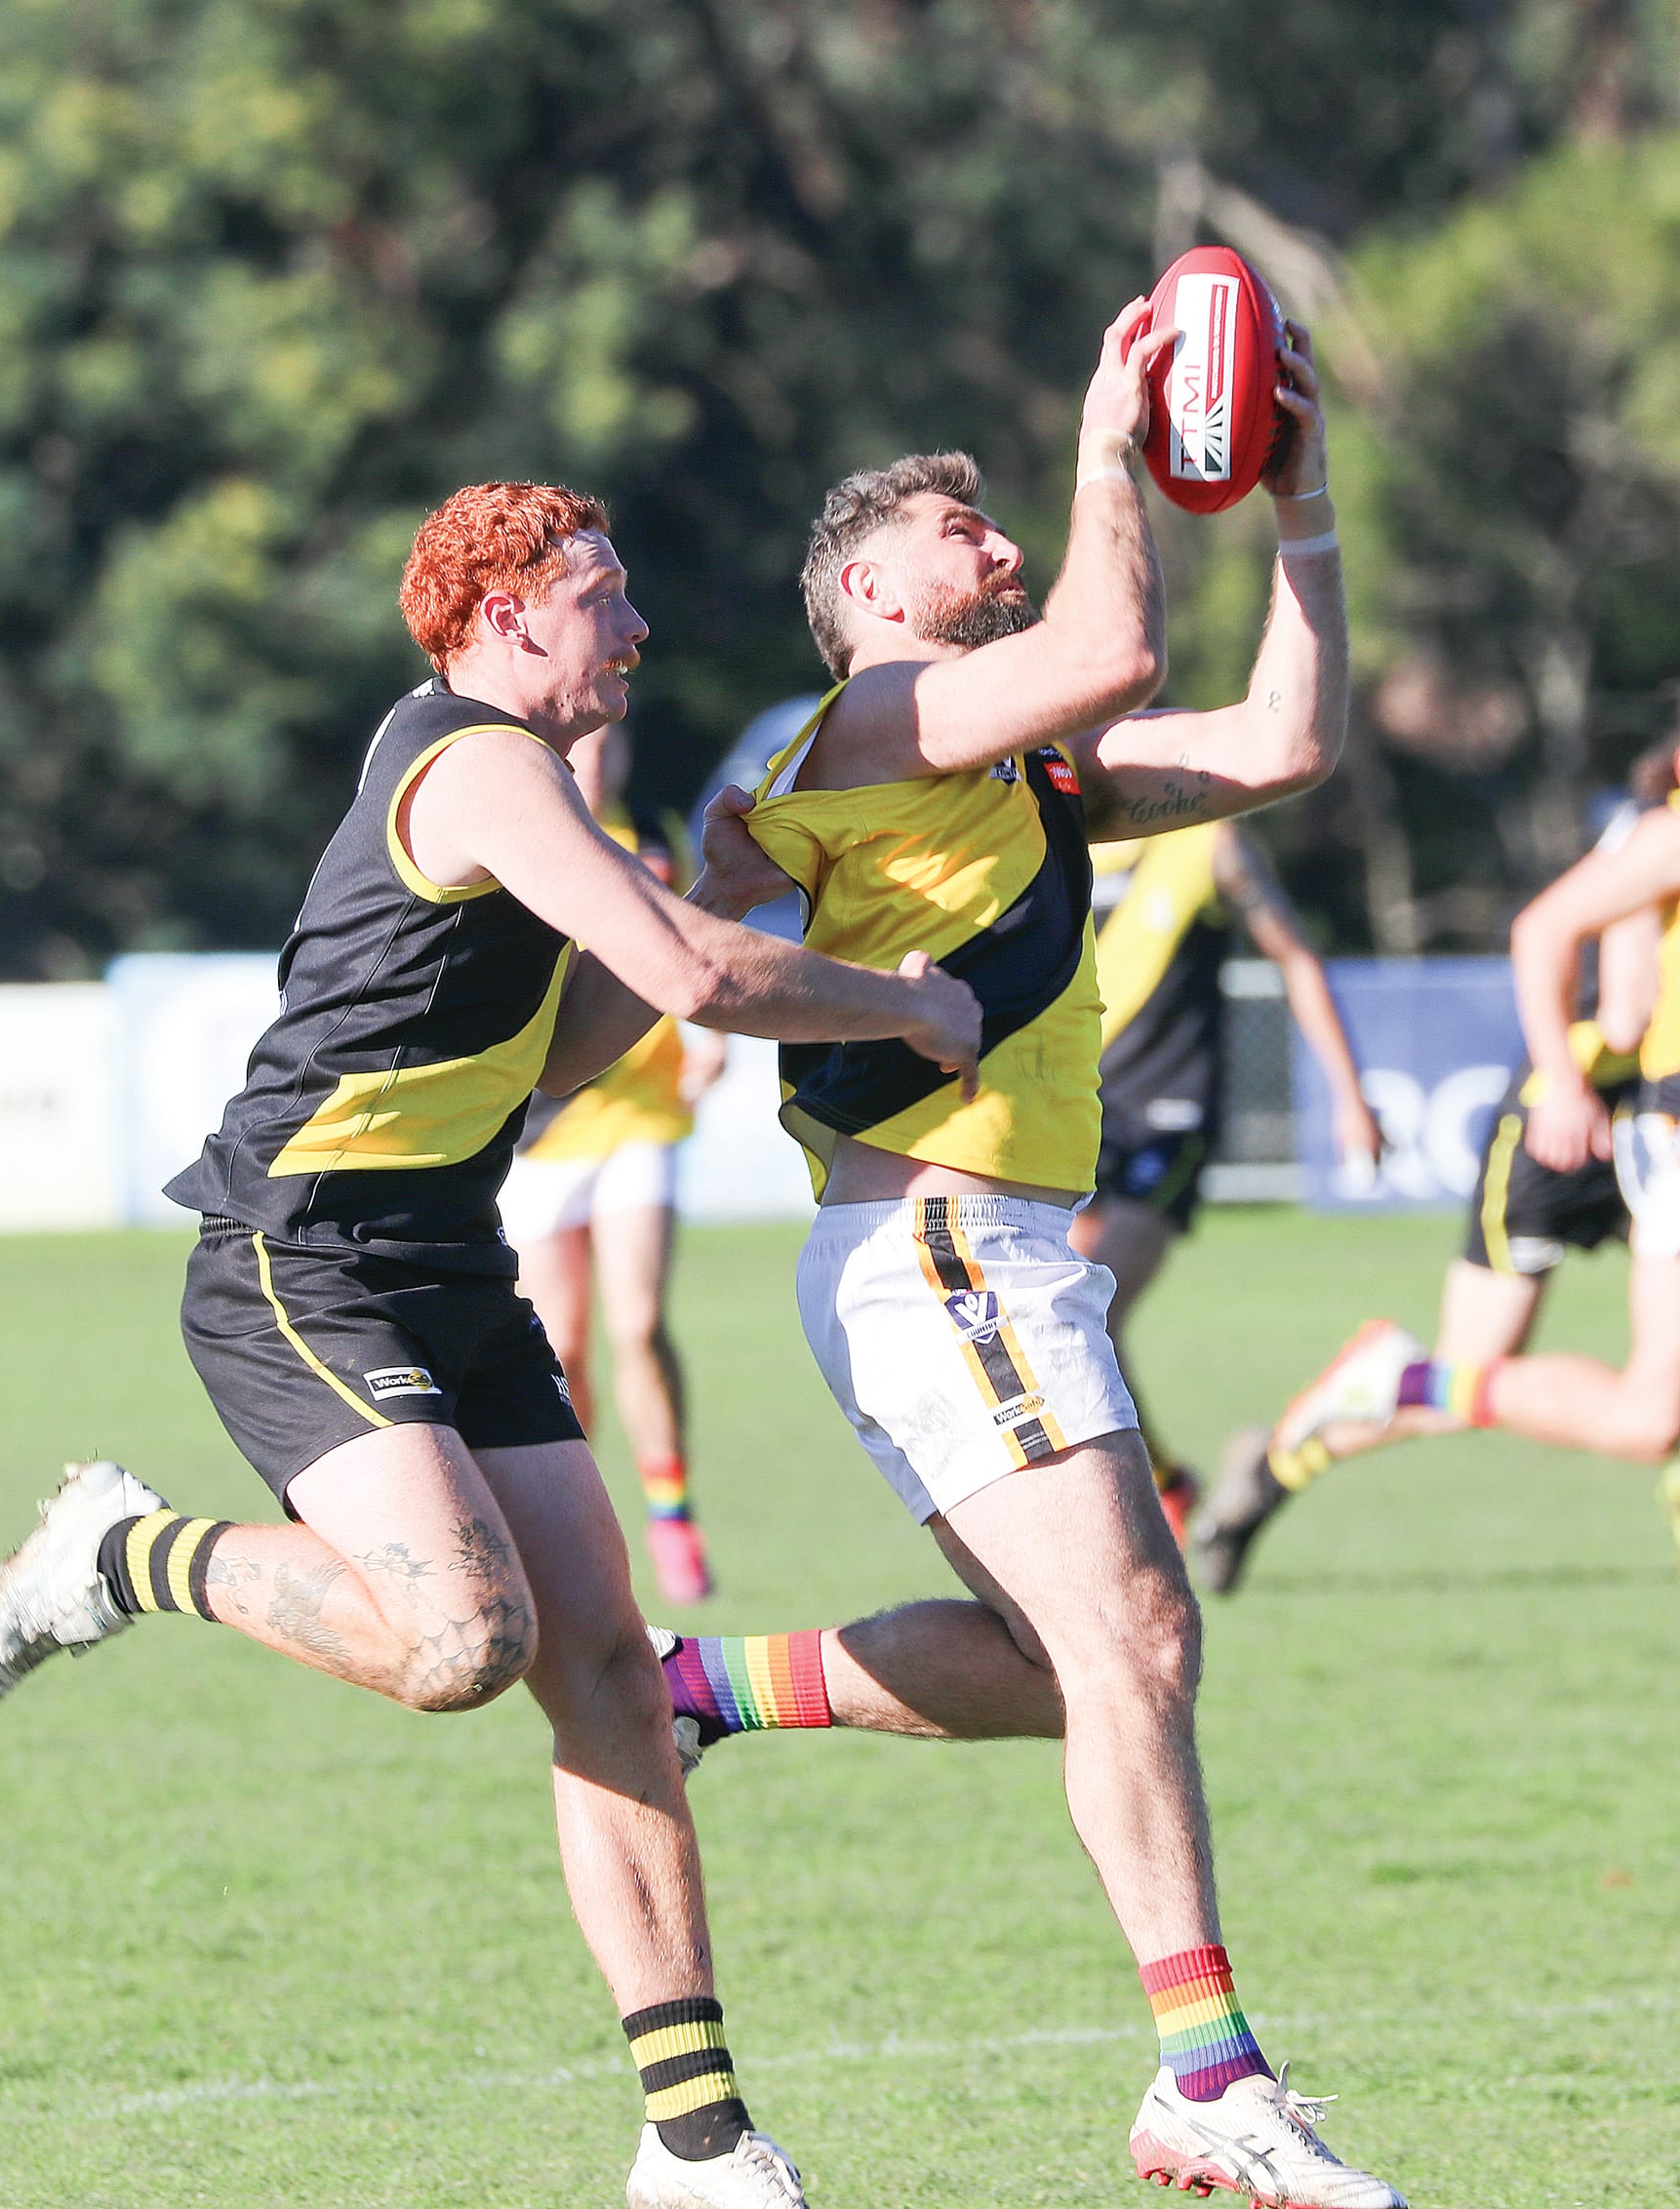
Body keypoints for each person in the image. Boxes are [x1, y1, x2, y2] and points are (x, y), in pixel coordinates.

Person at [0, 478, 985, 2209]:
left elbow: (567, 1047)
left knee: (602, 1663)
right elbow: (701, 979)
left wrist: (712, 893)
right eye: (603, 591)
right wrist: (901, 994)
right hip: (300, 1253)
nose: (635, 625)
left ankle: (697, 2136)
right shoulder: (477, 759)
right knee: (460, 1638)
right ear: (506, 618)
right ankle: (120, 1550)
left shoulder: (529, 785)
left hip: (444, 1251)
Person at [658, 319, 1409, 2207]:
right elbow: (1120, 647)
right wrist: (1106, 431)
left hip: (986, 1253)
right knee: (1139, 1639)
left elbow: (1281, 739)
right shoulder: (858, 727)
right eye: (956, 528)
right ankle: (1208, 2076)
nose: (994, 548)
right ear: (861, 587)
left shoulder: (1031, 767)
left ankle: (699, 1684)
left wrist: (1302, 504)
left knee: (1086, 1661)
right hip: (937, 1245)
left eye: (1002, 523)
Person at [1190, 750, 1677, 1593]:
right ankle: (1372, 1393)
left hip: (1631, 1114)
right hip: (1575, 1121)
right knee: (1478, 1377)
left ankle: (1283, 1462)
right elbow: (1613, 997)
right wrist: (1565, 1081)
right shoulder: (1661, 833)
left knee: (1549, 1397)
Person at [1076, 818, 1381, 1540]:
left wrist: (1349, 1093)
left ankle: (1149, 1506)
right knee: (1065, 1321)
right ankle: (1166, 1486)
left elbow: (1296, 957)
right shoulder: (1056, 834)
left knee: (1088, 1308)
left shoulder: (1209, 843)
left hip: (1169, 1119)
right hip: (1074, 1117)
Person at [502, 722, 728, 1603]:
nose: (597, 760)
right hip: (547, 1125)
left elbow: (687, 947)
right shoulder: (523, 841)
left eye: (612, 747)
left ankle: (673, 1517)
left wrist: (707, 1038)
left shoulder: (656, 842)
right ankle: (579, 1527)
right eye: (584, 747)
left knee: (637, 1322)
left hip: (643, 1114)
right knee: (562, 1345)